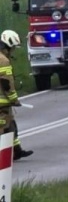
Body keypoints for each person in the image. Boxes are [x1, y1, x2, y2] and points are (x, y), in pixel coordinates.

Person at [0, 30, 33, 160]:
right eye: (13, 47)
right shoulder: (3, 60)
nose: (13, 50)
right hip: (2, 102)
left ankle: (17, 151)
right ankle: (5, 156)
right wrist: (14, 99)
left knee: (11, 125)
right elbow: (6, 82)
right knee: (4, 128)